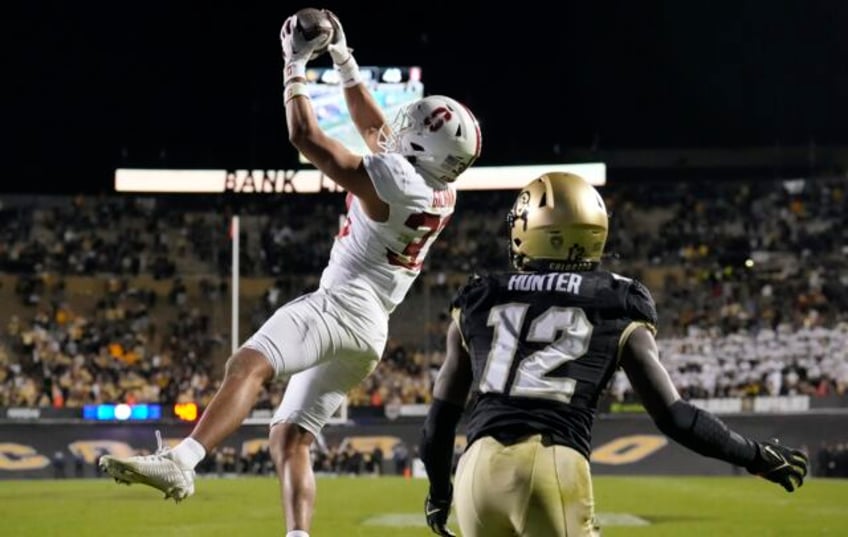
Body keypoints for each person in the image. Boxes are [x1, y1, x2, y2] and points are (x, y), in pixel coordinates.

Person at [99, 9, 481, 537]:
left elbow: (307, 138)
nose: (399, 130)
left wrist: (295, 62)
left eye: (411, 129)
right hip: (370, 330)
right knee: (290, 438)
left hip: (340, 306)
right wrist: (344, 58)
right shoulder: (441, 188)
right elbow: (376, 129)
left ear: (420, 149)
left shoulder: (396, 179)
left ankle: (183, 460)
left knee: (248, 362)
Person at [418, 173, 809, 537]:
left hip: (475, 473)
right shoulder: (616, 299)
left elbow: (439, 420)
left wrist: (439, 492)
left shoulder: (481, 295)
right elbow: (675, 416)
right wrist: (755, 456)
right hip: (551, 460)